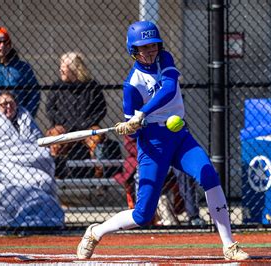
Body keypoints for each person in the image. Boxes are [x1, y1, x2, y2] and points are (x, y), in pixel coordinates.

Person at [77, 21, 249, 260]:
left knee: (209, 174)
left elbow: (168, 89)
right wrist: (132, 126)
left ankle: (229, 245)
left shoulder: (164, 59)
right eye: (143, 48)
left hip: (179, 137)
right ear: (133, 51)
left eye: (153, 46)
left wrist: (142, 113)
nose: (150, 52)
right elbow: (134, 133)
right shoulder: (131, 85)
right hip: (153, 145)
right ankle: (96, 231)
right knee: (143, 215)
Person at [0, 91, 64, 227]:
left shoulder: (25, 118)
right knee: (0, 189)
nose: (8, 107)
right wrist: (23, 149)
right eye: (4, 104)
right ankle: (7, 222)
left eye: (11, 103)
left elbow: (37, 142)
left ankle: (42, 222)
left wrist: (27, 151)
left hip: (29, 166)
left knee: (44, 180)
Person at [45, 52, 107, 178]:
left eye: (64, 65)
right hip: (64, 128)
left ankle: (99, 179)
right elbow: (50, 109)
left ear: (74, 68)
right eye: (61, 65)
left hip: (87, 128)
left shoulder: (91, 86)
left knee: (98, 137)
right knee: (54, 137)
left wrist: (85, 124)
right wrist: (65, 123)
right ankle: (56, 176)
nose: (60, 69)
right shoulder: (57, 86)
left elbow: (101, 109)